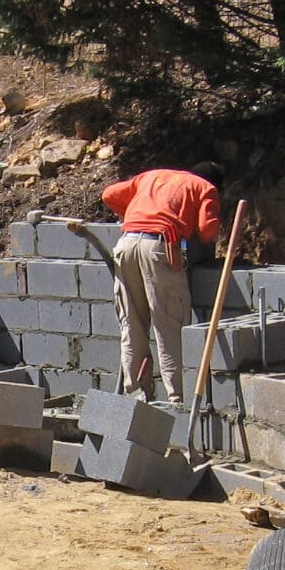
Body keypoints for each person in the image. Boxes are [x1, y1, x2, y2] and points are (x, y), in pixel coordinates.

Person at [101, 162, 224, 405]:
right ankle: (176, 401)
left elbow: (109, 194)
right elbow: (207, 232)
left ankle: (136, 397)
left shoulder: (152, 176)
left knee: (132, 325)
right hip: (159, 248)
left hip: (125, 246)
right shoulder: (205, 187)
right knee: (169, 325)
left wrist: (137, 214)